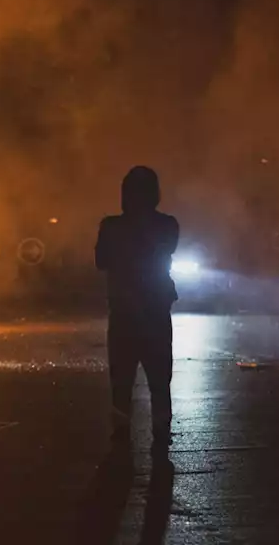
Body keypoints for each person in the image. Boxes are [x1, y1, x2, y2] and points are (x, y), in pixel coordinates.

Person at [96, 166, 180, 448]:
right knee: (159, 379)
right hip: (155, 312)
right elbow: (165, 249)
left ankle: (121, 435)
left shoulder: (111, 227)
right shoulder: (167, 225)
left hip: (123, 314)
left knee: (121, 381)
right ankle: (160, 431)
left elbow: (101, 260)